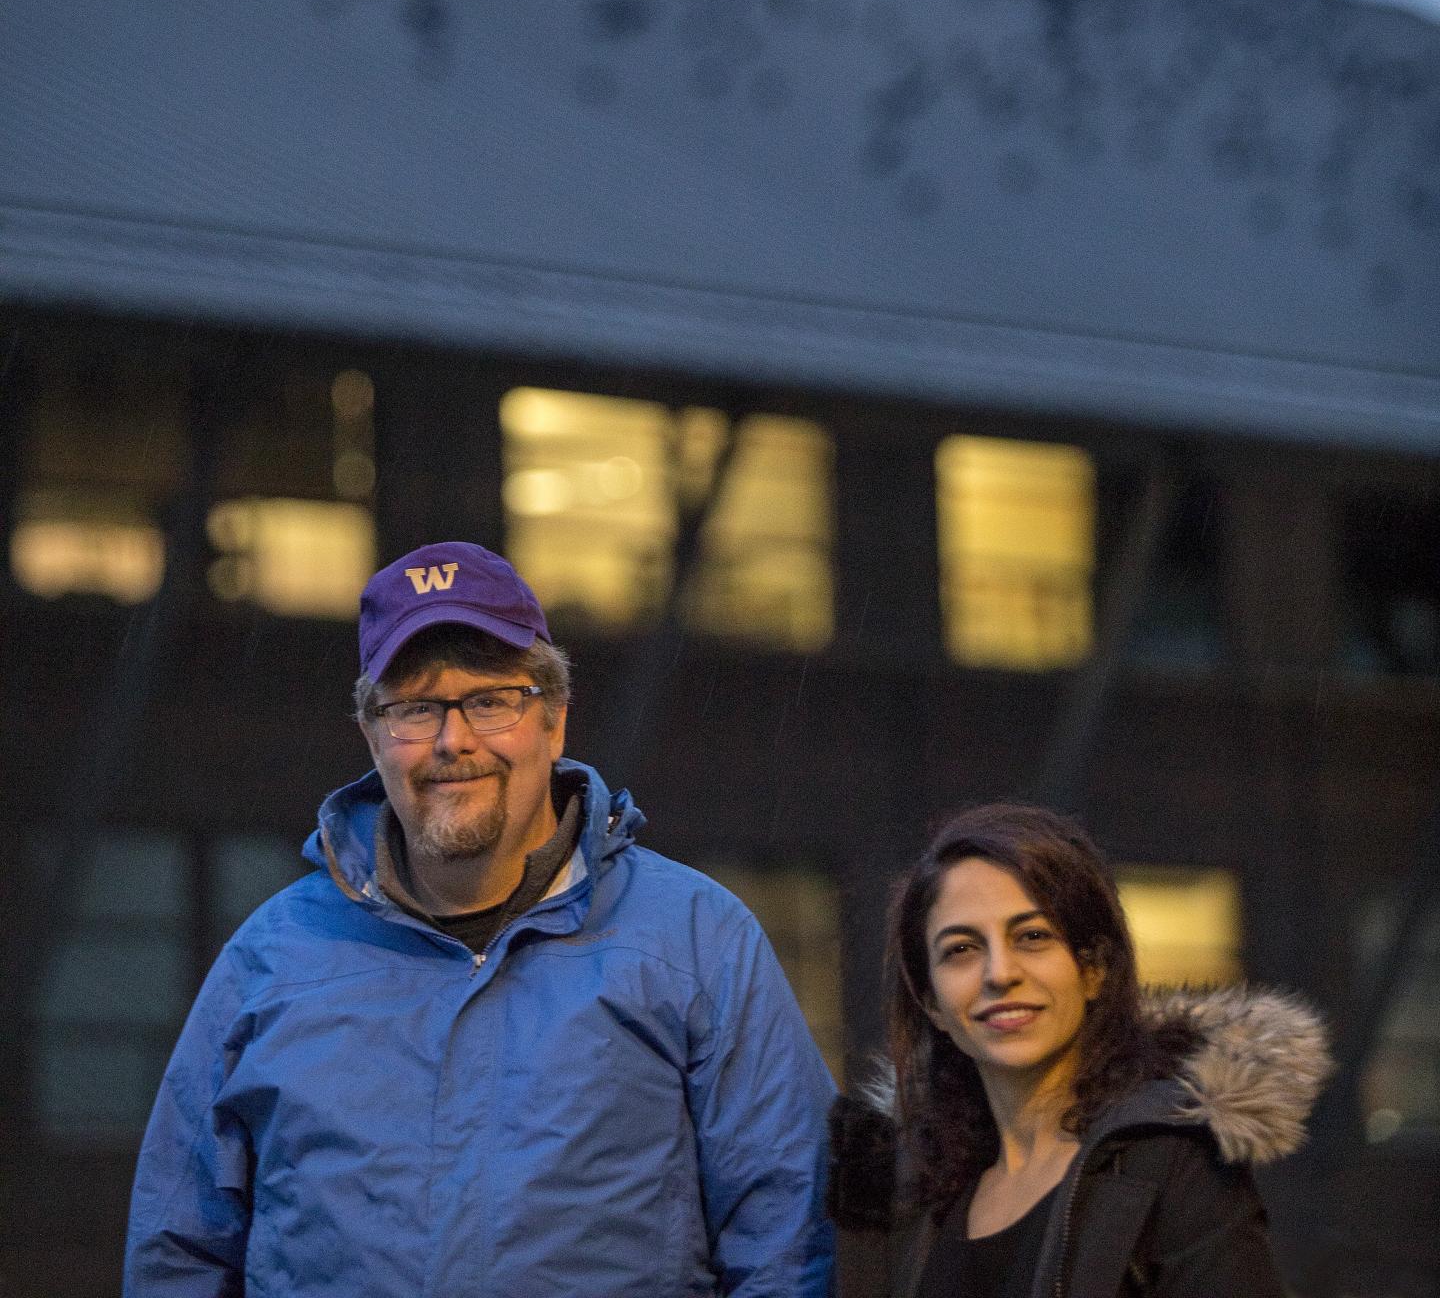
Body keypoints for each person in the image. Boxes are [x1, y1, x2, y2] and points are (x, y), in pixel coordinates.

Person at [126, 541, 836, 1296]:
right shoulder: (271, 960)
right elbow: (179, 1250)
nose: (453, 740)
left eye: (492, 701)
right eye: (416, 707)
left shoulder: (696, 940)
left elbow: (785, 1236)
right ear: (372, 734)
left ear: (554, 721)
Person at [828, 802, 1329, 1297]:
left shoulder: (1171, 1161)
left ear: (1093, 970)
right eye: (961, 949)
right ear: (931, 1002)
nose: (999, 973)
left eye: (1032, 936)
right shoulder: (908, 1194)